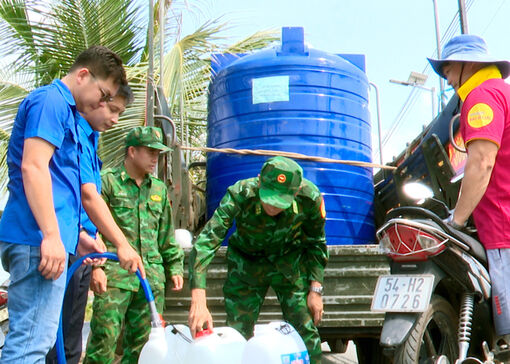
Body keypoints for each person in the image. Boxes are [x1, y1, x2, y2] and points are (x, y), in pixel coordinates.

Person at [0, 45, 144, 364]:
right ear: (83, 75)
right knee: (30, 344)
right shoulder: (51, 100)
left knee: (37, 341)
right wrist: (51, 235)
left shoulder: (68, 114)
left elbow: (63, 186)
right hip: (35, 238)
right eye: (104, 95)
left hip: (47, 238)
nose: (104, 105)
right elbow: (33, 167)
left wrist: (76, 234)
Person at [188, 156, 328, 364]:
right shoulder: (240, 193)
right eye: (268, 196)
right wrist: (198, 300)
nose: (272, 206)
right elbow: (207, 242)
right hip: (247, 265)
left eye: (280, 201)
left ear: (296, 191)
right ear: (259, 181)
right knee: (236, 334)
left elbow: (316, 243)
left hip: (288, 263)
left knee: (305, 330)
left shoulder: (310, 198)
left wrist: (315, 290)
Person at [428, 34, 510, 343]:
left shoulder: (482, 96)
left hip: (504, 225)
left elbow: (481, 163)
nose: (446, 78)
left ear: (469, 64)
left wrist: (457, 220)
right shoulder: (503, 92)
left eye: (448, 69)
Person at [46, 84, 134, 364]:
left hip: (82, 247)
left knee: (70, 337)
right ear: (97, 98)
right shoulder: (71, 133)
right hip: (64, 245)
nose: (115, 119)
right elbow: (85, 197)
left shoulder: (91, 139)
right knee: (50, 339)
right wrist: (121, 244)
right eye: (112, 109)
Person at [84, 126, 184, 364]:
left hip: (150, 278)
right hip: (114, 277)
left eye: (158, 153)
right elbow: (92, 229)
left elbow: (166, 236)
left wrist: (175, 267)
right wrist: (96, 269)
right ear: (132, 151)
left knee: (144, 347)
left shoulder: (158, 188)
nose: (155, 158)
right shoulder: (107, 182)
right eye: (150, 152)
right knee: (103, 342)